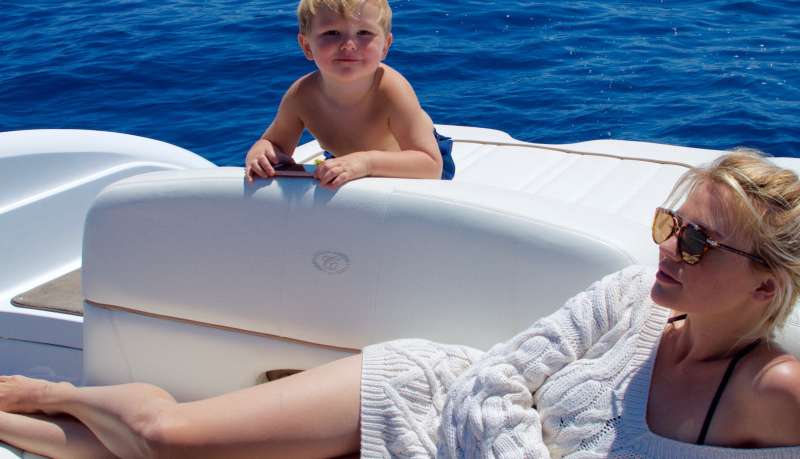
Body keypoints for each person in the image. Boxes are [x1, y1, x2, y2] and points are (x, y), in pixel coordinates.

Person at [1, 148, 800, 458]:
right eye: (670, 225)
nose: (666, 249)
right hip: (419, 398)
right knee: (167, 435)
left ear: (766, 285)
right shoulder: (634, 296)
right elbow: (496, 380)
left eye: (697, 244)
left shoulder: (768, 392)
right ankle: (52, 390)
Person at [244, 0, 455, 190]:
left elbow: (430, 167)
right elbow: (275, 144)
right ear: (306, 46)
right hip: (348, 160)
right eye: (332, 33)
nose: (348, 44)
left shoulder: (391, 89)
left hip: (415, 163)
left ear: (385, 46)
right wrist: (261, 151)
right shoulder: (301, 95)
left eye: (364, 32)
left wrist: (367, 162)